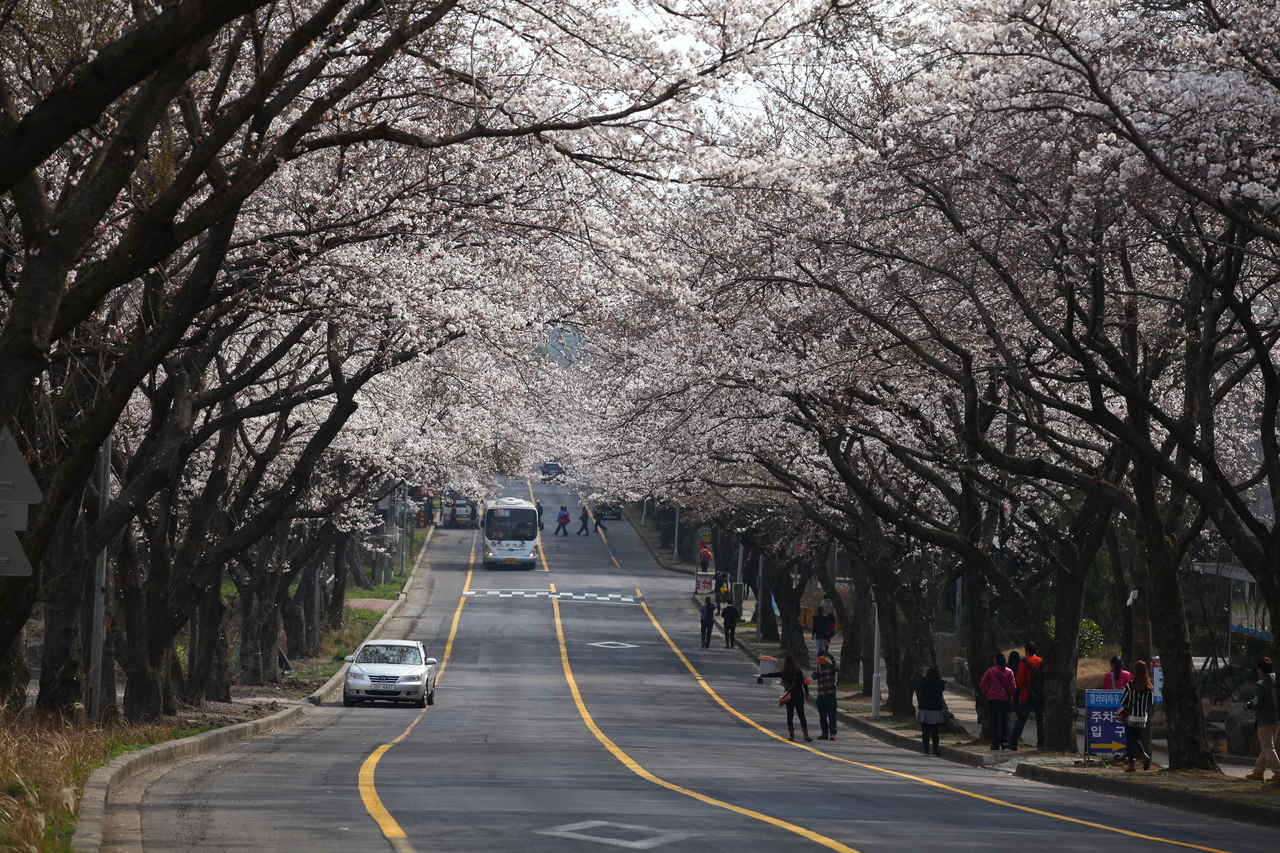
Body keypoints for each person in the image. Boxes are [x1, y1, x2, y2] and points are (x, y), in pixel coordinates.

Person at [760, 655, 813, 742]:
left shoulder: (784, 673)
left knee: (790, 715)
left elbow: (773, 674)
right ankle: (806, 735)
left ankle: (791, 736)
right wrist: (807, 694)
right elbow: (804, 683)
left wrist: (761, 675)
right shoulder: (798, 671)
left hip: (789, 697)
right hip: (799, 696)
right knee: (801, 715)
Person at [1006, 641, 1045, 750]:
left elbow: (1020, 681)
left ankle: (1013, 743)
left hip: (1026, 695)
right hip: (1040, 696)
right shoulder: (1041, 661)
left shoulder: (1024, 663)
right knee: (1041, 720)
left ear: (1026, 651)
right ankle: (1041, 744)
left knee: (1021, 720)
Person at [1245, 657, 1279, 781]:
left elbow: (1257, 702)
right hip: (1277, 719)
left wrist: (1249, 705)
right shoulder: (1277, 682)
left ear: (1260, 669)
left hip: (1265, 719)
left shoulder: (1261, 683)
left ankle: (1278, 771)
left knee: (1268, 747)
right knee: (1267, 746)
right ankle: (1258, 772)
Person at [1120, 659, 1155, 772]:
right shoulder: (1149, 687)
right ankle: (1144, 755)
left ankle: (1132, 764)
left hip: (1131, 716)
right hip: (1143, 717)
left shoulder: (1130, 685)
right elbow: (1150, 703)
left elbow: (1123, 701)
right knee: (1135, 739)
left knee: (1129, 741)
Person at [979, 652, 1017, 751]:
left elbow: (982, 685)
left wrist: (987, 692)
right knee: (1004, 720)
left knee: (994, 721)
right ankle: (1004, 742)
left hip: (992, 699)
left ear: (995, 660)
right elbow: (1013, 687)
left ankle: (995, 743)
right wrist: (1009, 694)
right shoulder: (1009, 672)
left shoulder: (990, 671)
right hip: (1004, 699)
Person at [916, 665, 948, 756]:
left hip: (925, 708)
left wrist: (923, 677)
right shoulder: (940, 684)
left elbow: (918, 687)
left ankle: (926, 750)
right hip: (936, 709)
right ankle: (935, 751)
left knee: (925, 731)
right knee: (935, 732)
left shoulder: (923, 683)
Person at [812, 650, 839, 741]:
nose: (823, 659)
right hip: (821, 694)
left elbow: (837, 669)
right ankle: (824, 733)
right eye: (821, 657)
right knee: (822, 715)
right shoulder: (818, 667)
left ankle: (833, 733)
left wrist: (829, 662)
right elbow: (814, 676)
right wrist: (818, 667)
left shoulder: (831, 666)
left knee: (832, 714)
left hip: (831, 693)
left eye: (824, 657)